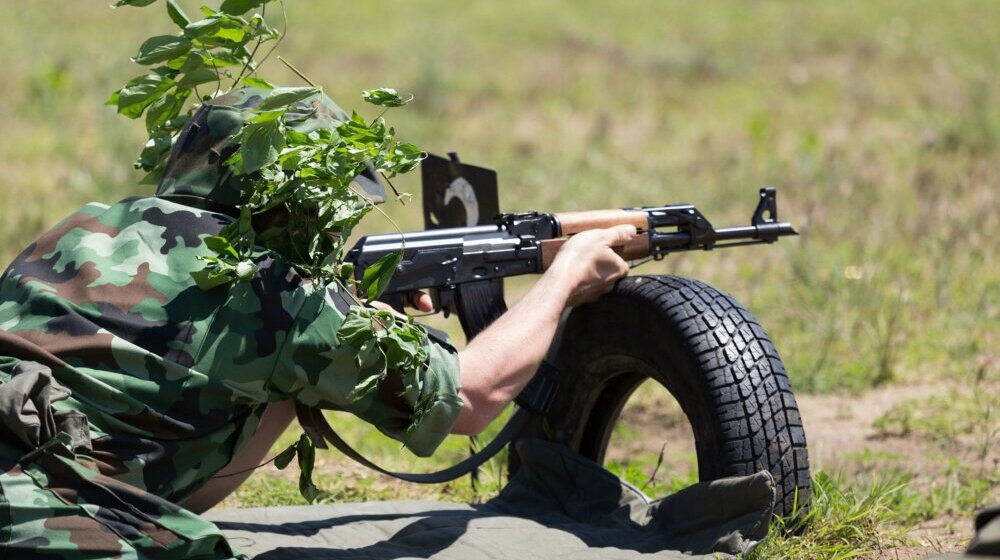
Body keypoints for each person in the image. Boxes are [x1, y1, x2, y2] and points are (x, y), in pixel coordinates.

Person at [0, 88, 636, 558]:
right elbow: (469, 398)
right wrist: (565, 278)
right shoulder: (275, 291)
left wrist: (347, 316)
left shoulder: (88, 224)